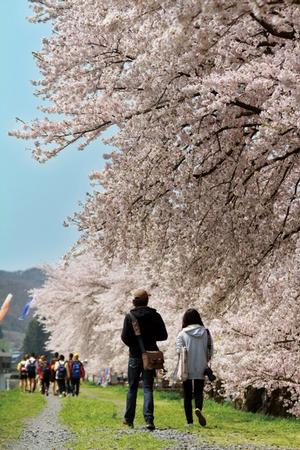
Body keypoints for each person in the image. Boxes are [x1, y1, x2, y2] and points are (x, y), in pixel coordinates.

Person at [121, 288, 168, 430]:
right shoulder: (155, 315)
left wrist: (134, 345)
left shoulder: (130, 316)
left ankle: (129, 419)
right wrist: (151, 338)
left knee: (132, 388)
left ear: (134, 301)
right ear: (147, 300)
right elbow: (164, 336)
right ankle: (149, 420)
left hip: (135, 356)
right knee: (148, 388)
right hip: (150, 356)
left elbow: (124, 337)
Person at [176, 308, 214, 427]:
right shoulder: (206, 332)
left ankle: (189, 422)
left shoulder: (182, 333)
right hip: (201, 366)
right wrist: (205, 360)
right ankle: (198, 409)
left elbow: (178, 351)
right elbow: (211, 349)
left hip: (186, 367)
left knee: (187, 394)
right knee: (198, 392)